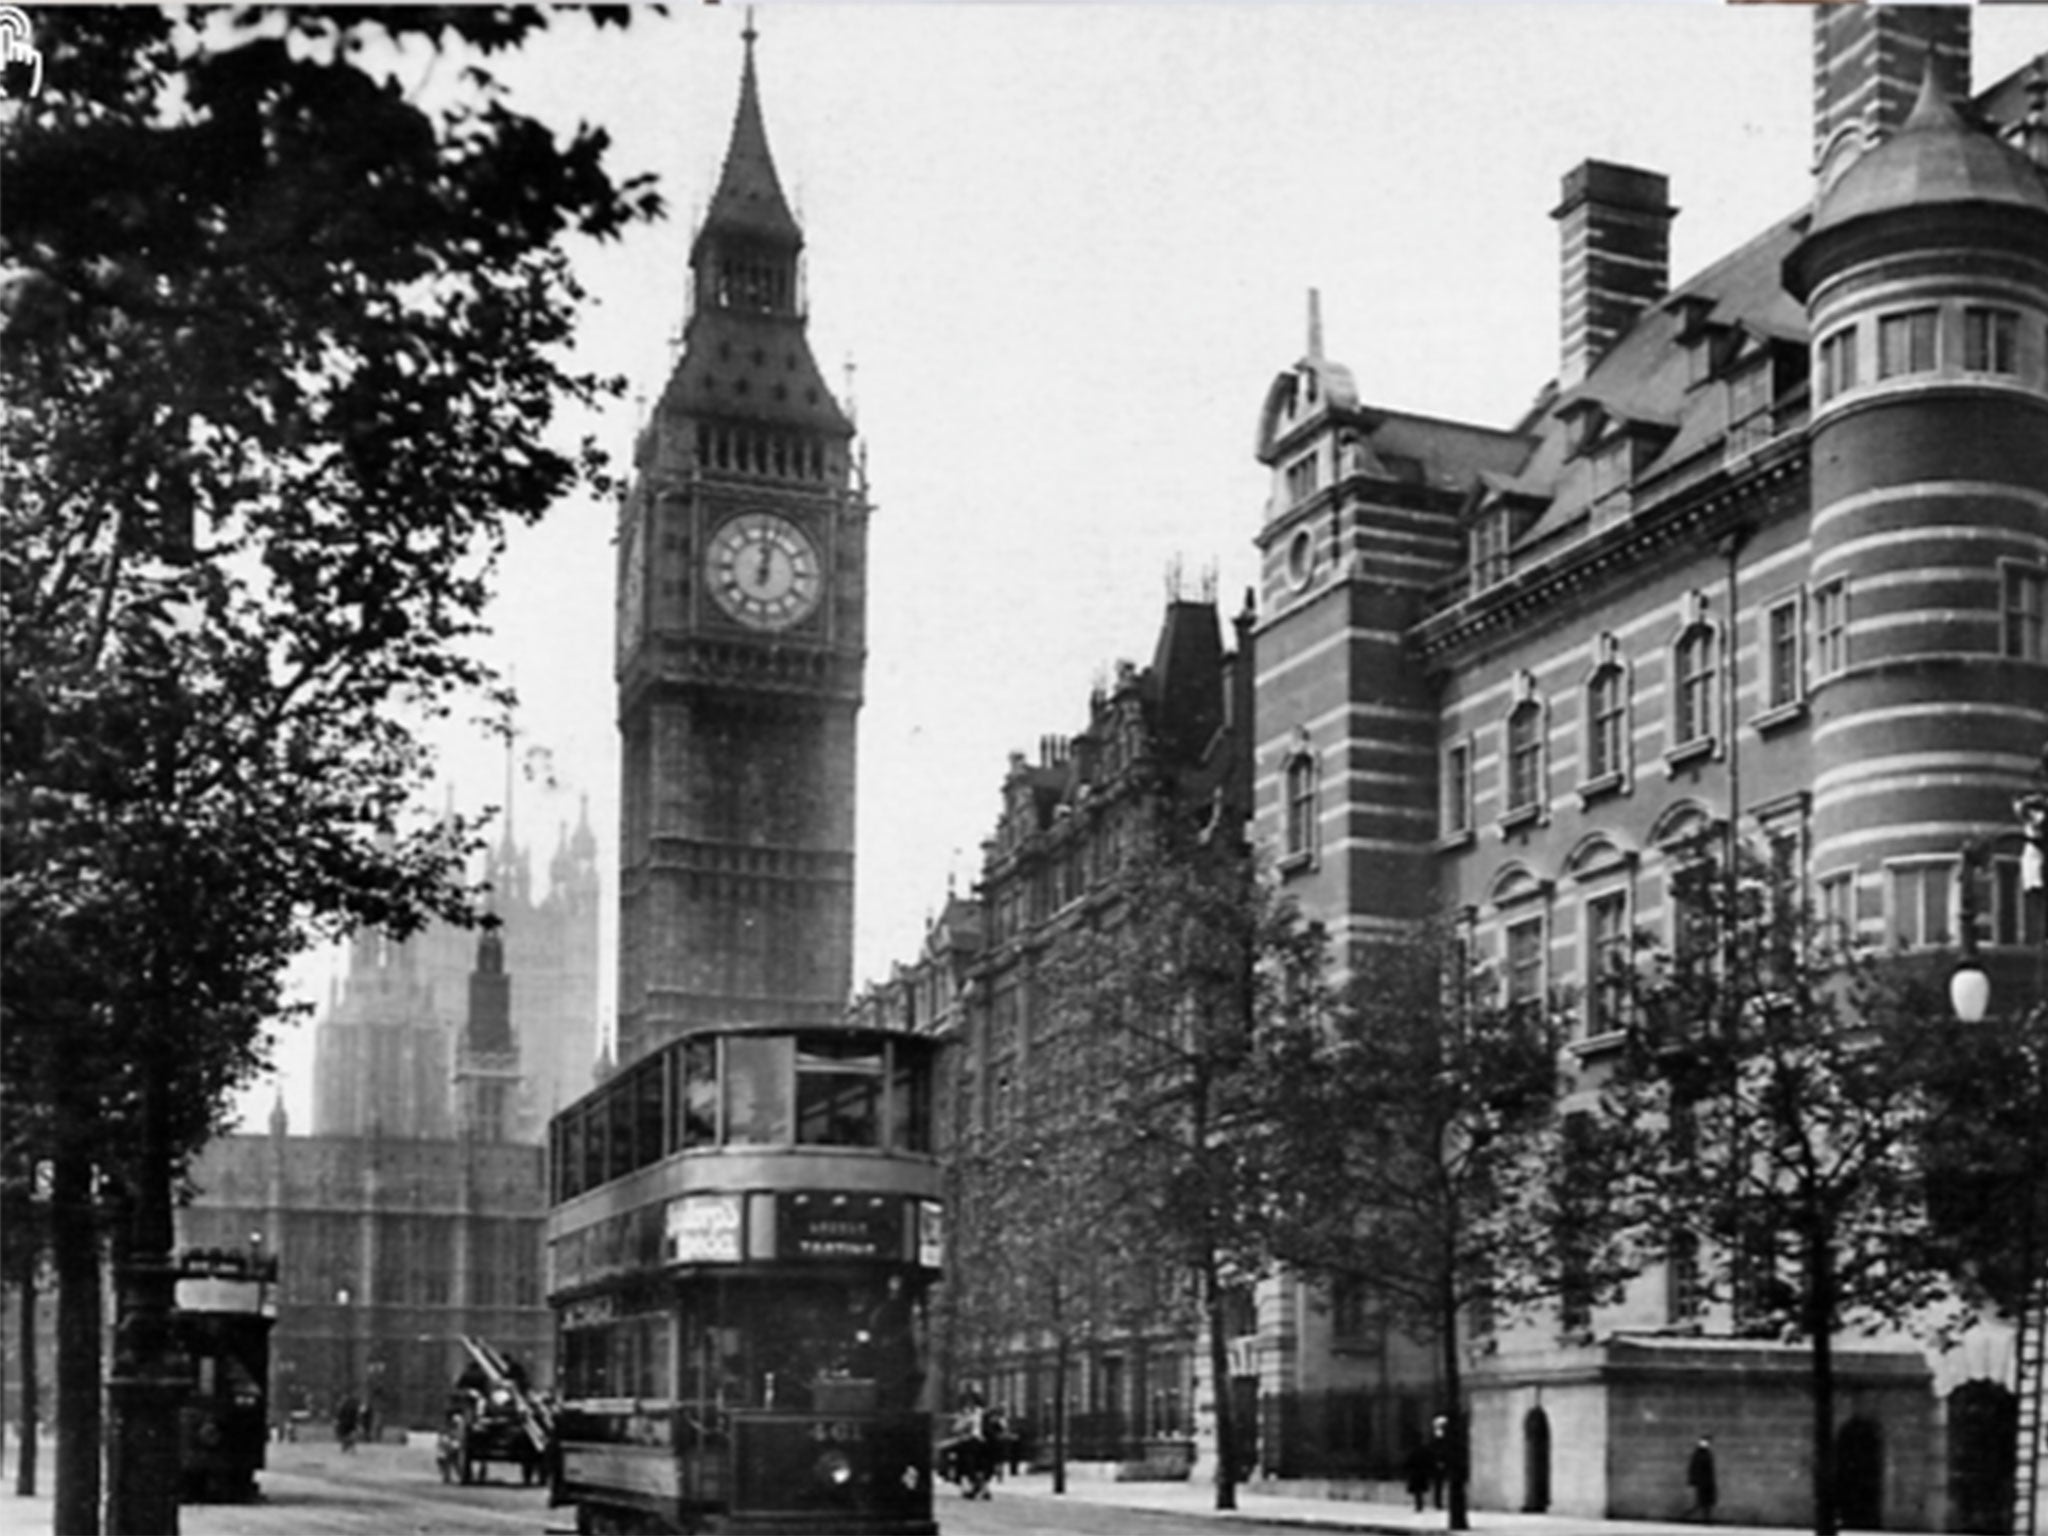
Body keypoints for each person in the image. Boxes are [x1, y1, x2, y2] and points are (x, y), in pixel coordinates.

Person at [1688, 1435, 1718, 1523]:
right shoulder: (1698, 1454)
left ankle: (1706, 1519)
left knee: (1706, 1502)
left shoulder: (1707, 1453)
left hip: (1707, 1481)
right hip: (1702, 1482)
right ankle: (1689, 1515)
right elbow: (1693, 1467)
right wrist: (1693, 1480)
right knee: (1702, 1502)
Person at [1404, 1436, 1435, 1512]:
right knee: (1420, 1491)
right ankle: (1420, 1505)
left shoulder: (1413, 1451)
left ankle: (1419, 1506)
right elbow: (1429, 1461)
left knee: (1417, 1492)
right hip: (1422, 1473)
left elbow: (1409, 1462)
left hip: (1415, 1473)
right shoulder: (1424, 1450)